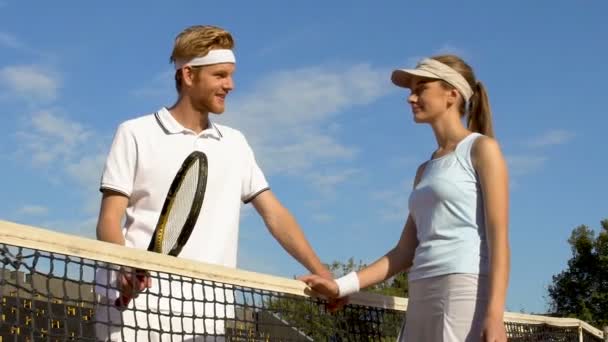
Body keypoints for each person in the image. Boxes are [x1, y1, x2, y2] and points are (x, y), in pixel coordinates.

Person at [94, 25, 333, 341]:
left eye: (231, 75)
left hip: (207, 318)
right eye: (220, 75)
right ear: (189, 76)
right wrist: (124, 265)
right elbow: (108, 220)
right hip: (134, 317)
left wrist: (324, 274)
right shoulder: (135, 133)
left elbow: (275, 214)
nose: (230, 85)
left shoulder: (236, 143)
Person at [300, 55, 510, 342]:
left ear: (452, 93)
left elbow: (499, 239)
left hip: (464, 287)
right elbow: (403, 252)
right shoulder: (424, 170)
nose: (411, 98)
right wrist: (341, 286)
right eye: (411, 90)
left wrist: (495, 315)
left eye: (421, 87)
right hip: (421, 288)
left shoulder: (482, 149)